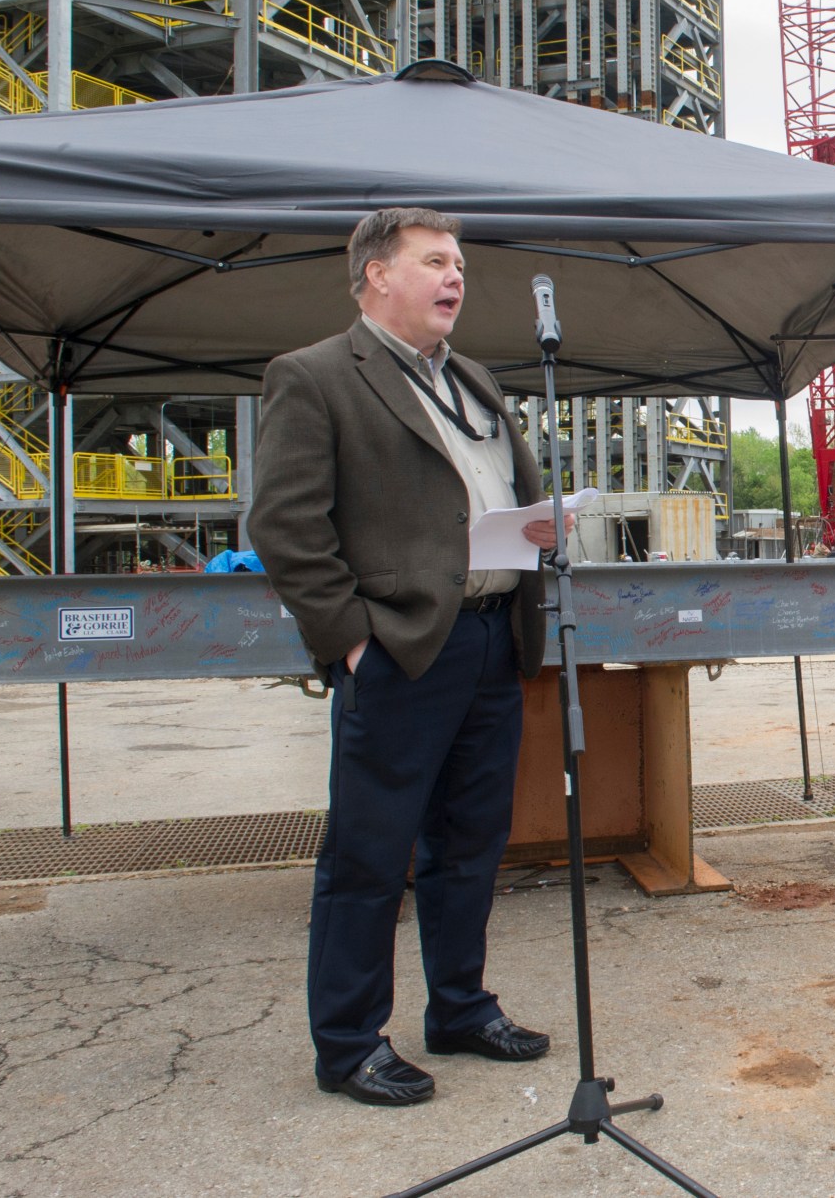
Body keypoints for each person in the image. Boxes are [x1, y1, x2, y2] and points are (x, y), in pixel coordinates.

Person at [251, 207, 558, 1108]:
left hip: (491, 641)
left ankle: (459, 1007)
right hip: (399, 649)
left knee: (471, 843)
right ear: (377, 274)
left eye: (458, 261)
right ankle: (347, 1042)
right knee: (369, 854)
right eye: (434, 260)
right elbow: (286, 527)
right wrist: (351, 641)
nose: (455, 275)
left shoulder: (473, 378)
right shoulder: (313, 377)